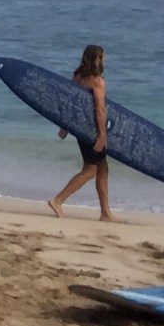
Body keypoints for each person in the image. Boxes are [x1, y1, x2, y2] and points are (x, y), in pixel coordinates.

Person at [48, 44, 116, 221]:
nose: (104, 61)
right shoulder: (98, 81)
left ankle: (105, 213)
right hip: (92, 131)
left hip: (80, 128)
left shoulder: (77, 77)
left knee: (103, 169)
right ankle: (58, 200)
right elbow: (100, 109)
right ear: (96, 59)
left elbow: (71, 103)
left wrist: (64, 127)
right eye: (102, 58)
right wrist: (102, 135)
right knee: (90, 170)